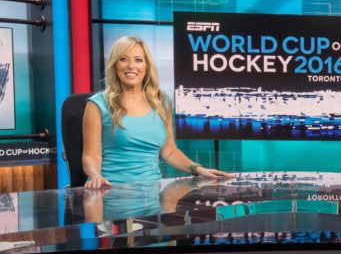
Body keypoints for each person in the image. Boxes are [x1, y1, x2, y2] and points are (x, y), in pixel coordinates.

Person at [82, 36, 232, 189]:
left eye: (138, 60)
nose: (131, 66)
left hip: (153, 193)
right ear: (115, 65)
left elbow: (170, 151)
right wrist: (95, 176)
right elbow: (91, 155)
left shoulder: (161, 102)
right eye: (123, 59)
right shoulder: (98, 104)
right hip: (113, 192)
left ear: (146, 66)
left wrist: (198, 169)